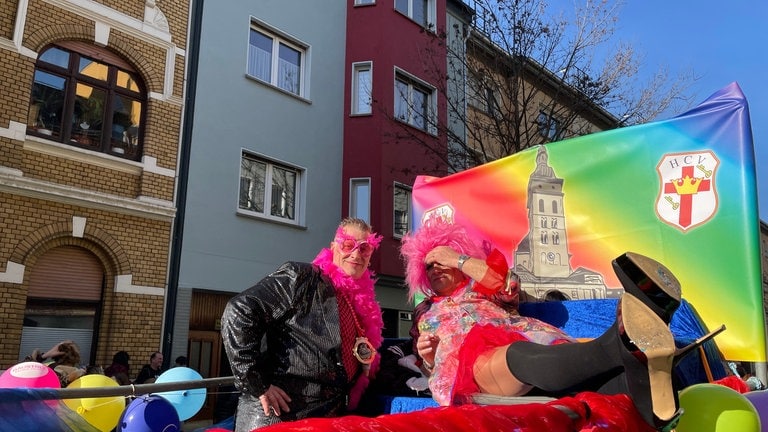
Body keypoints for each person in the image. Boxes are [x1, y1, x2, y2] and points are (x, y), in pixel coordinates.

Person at [400, 216, 696, 431]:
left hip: (538, 349)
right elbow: (426, 368)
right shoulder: (425, 311)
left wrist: (458, 258)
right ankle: (621, 341)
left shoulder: (479, 286)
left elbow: (503, 284)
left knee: (581, 378)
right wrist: (428, 358)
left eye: (441, 260)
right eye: (428, 265)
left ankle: (647, 393)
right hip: (474, 368)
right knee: (517, 355)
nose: (435, 267)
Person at [221, 217, 384, 431]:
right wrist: (257, 384)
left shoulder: (357, 301)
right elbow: (239, 310)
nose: (355, 254)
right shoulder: (303, 277)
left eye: (364, 248)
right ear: (334, 247)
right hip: (279, 417)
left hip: (325, 419)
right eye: (348, 245)